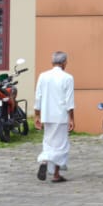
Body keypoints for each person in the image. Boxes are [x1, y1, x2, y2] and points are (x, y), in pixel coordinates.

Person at [33, 50, 75, 182]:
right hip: (61, 116)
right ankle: (54, 172)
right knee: (61, 145)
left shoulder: (43, 76)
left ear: (52, 62)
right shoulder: (68, 78)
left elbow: (38, 97)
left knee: (49, 142)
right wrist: (72, 118)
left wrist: (37, 115)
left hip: (47, 115)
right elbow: (69, 101)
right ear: (64, 63)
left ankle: (46, 162)